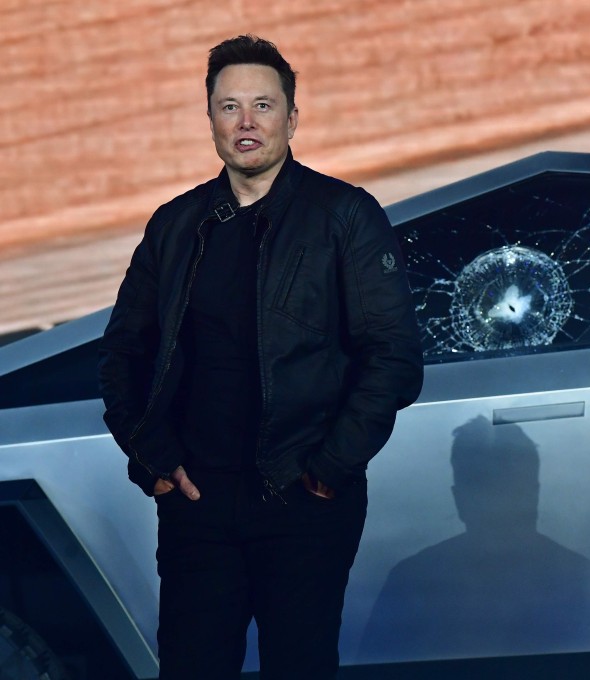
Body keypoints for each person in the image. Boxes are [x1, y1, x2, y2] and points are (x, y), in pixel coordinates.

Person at [97, 34, 424, 680]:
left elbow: (393, 357)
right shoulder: (175, 225)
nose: (246, 122)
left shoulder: (345, 216)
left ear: (292, 119)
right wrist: (153, 460)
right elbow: (122, 354)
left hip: (305, 501)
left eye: (263, 106)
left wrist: (329, 470)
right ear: (211, 120)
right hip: (197, 504)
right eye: (230, 107)